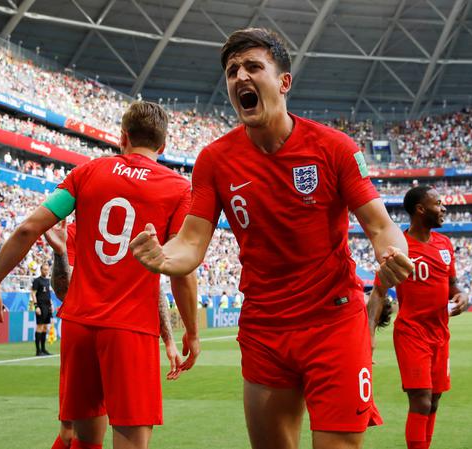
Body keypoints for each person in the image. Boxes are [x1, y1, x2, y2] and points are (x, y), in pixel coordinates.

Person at [130, 28, 413, 449]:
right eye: (232, 71)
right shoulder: (214, 160)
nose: (240, 76)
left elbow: (379, 224)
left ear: (284, 82)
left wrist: (394, 251)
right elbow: (190, 241)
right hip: (265, 329)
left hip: (333, 323)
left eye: (252, 67)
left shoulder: (333, 148)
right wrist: (163, 258)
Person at [0, 100, 200, 449]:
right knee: (130, 440)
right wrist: (191, 330)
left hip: (80, 325)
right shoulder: (178, 189)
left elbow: (28, 229)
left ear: (122, 136)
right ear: (164, 145)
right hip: (130, 328)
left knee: (83, 440)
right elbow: (181, 270)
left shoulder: (86, 173)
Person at [43, 220, 185, 449]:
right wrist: (59, 253)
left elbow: (153, 285)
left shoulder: (137, 229)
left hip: (124, 335)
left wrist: (169, 340)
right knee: (71, 433)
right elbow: (64, 291)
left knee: (97, 434)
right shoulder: (75, 230)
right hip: (86, 330)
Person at [386, 186, 468, 449]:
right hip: (412, 333)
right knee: (420, 399)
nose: (444, 208)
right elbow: (378, 288)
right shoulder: (399, 245)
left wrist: (461, 295)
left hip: (440, 334)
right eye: (438, 203)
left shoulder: (444, 244)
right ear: (420, 209)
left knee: (433, 400)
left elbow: (452, 283)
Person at [32, 263, 53, 356]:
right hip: (40, 306)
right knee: (39, 327)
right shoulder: (37, 281)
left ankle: (44, 349)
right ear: (41, 270)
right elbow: (33, 293)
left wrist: (51, 305)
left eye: (47, 269)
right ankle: (38, 350)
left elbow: (48, 294)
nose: (46, 271)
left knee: (45, 327)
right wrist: (36, 306)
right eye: (44, 269)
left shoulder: (48, 281)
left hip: (47, 306)